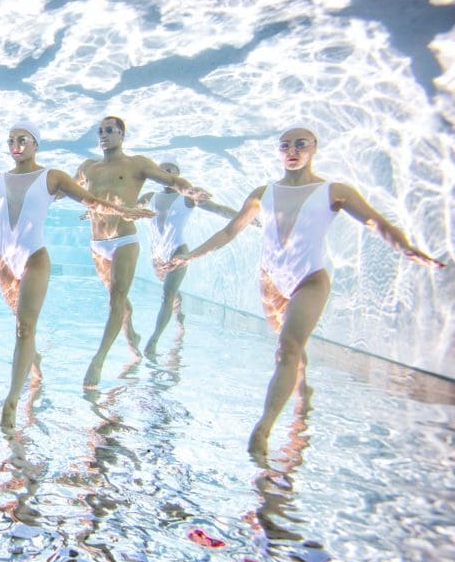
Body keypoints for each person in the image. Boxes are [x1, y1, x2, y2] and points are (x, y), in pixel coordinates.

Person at [165, 127, 445, 457]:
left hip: (310, 280)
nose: (292, 150)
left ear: (314, 148)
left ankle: (263, 429)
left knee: (287, 347)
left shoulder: (333, 191)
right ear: (278, 152)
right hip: (271, 281)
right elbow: (230, 231)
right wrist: (191, 254)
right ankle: (302, 392)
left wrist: (404, 246)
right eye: (285, 145)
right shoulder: (262, 193)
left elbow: (376, 222)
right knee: (291, 350)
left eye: (301, 144)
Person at [0, 122, 154, 429]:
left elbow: (92, 201)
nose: (16, 144)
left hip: (34, 258)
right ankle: (36, 371)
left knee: (25, 328)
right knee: (21, 326)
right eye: (11, 139)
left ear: (35, 144)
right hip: (5, 263)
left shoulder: (51, 177)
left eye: (22, 139)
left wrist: (125, 212)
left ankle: (12, 399)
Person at [76, 116, 210, 389]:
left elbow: (171, 179)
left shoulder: (136, 164)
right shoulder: (89, 167)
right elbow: (67, 188)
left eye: (110, 130)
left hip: (123, 240)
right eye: (100, 131)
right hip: (97, 243)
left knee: (116, 299)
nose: (104, 135)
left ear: (122, 135)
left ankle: (98, 359)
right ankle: (130, 335)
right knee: (121, 304)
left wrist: (189, 189)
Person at [137, 160, 242, 354]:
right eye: (161, 169)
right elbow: (127, 209)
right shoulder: (149, 197)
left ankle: (154, 339)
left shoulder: (187, 198)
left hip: (178, 251)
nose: (165, 172)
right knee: (171, 293)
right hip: (157, 256)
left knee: (166, 295)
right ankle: (179, 316)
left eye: (170, 170)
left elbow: (218, 209)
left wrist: (246, 217)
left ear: (177, 174)